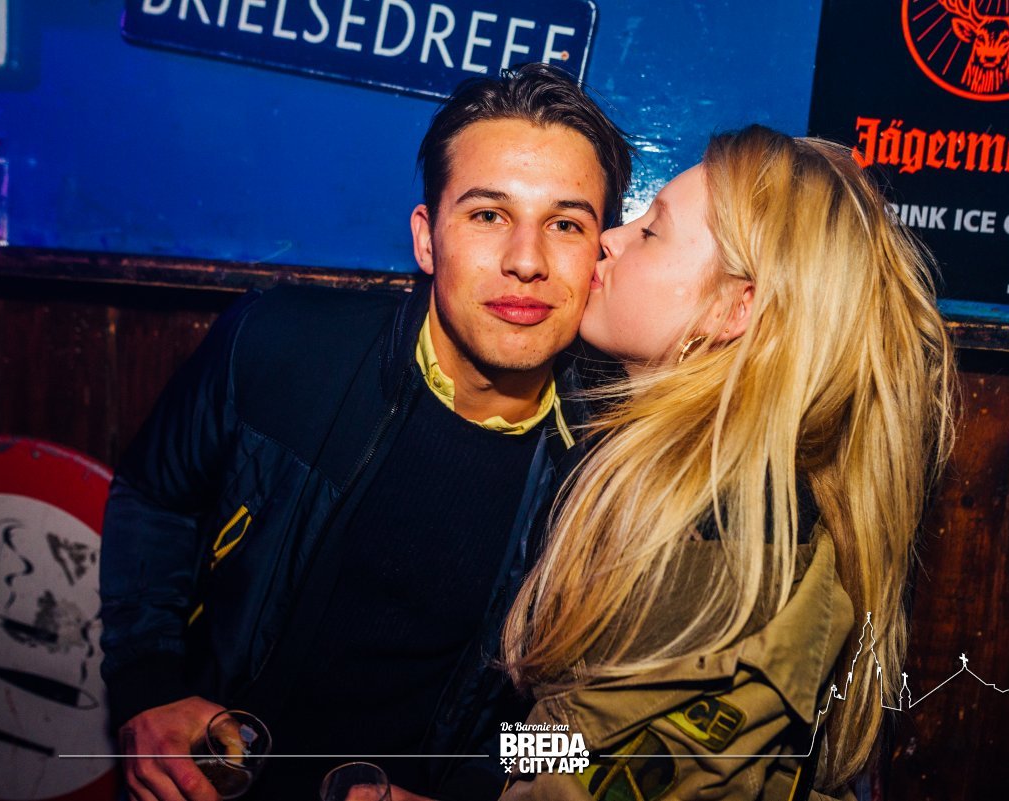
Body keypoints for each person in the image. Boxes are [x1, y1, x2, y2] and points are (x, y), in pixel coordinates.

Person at [98, 63, 633, 801]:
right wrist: (148, 686)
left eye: (565, 224)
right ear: (427, 238)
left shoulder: (618, 470)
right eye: (487, 215)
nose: (525, 261)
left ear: (599, 254)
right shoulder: (281, 346)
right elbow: (155, 497)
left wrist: (478, 790)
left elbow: (590, 731)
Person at [500, 125, 955, 801]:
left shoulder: (725, 536)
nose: (609, 240)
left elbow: (593, 773)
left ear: (736, 307)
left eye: (652, 231)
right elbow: (571, 735)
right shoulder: (669, 479)